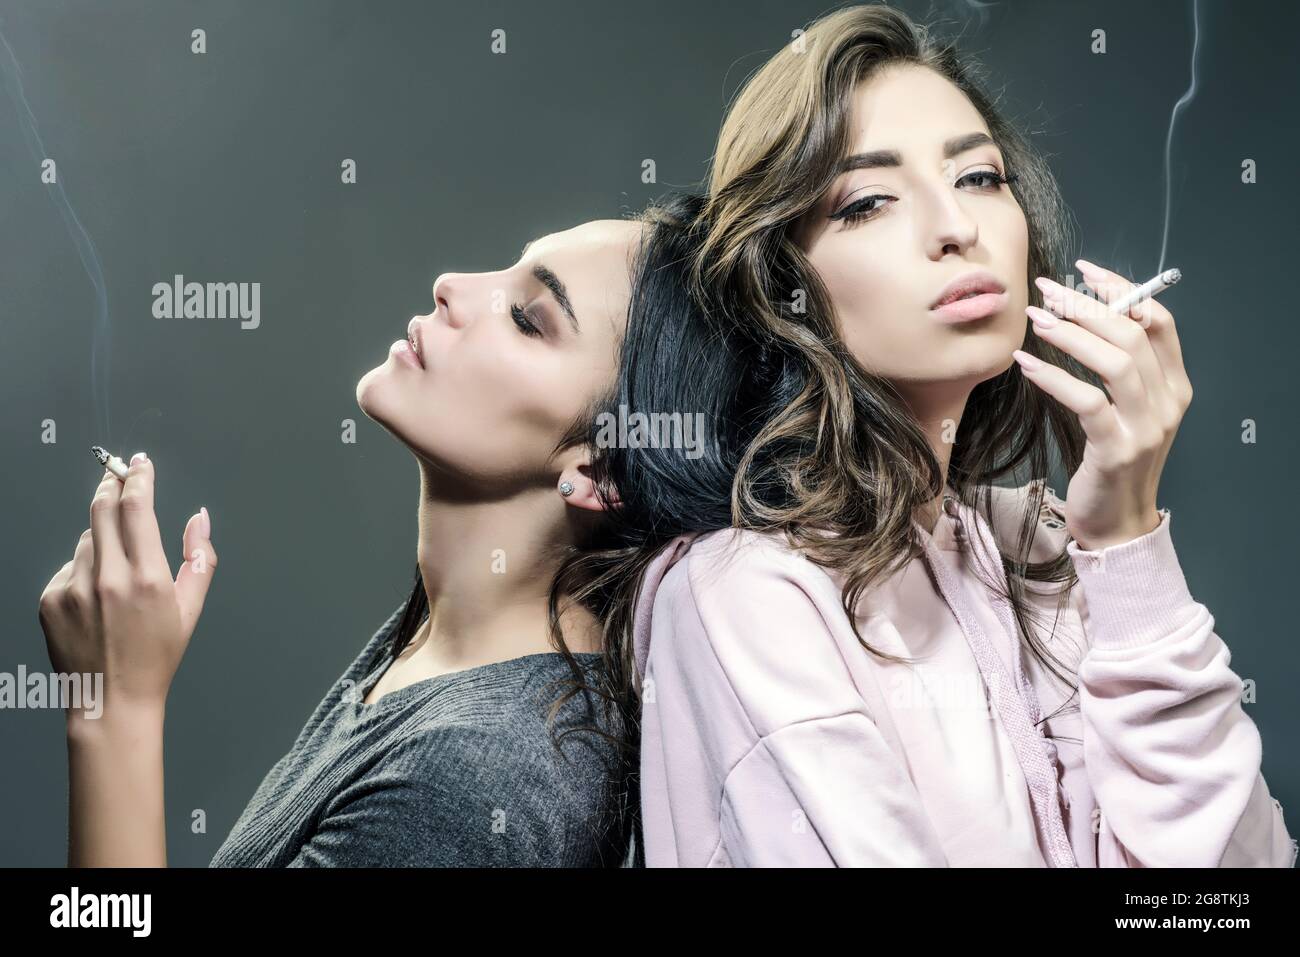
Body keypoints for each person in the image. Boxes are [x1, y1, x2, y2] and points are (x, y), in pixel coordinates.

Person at [618, 6, 1296, 867]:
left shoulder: (1036, 541)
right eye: (867, 202)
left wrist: (1125, 542)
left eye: (979, 177)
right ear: (780, 280)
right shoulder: (746, 596)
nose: (957, 227)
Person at [40, 217, 647, 867]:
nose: (451, 286)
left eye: (528, 318)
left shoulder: (465, 789)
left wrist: (114, 708)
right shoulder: (445, 640)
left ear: (598, 470)